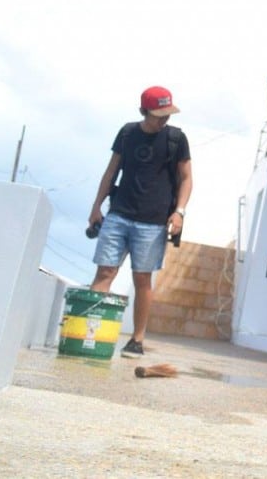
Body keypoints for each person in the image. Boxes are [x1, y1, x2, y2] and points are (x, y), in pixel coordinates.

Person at [88, 86, 192, 358]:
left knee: (142, 278)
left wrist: (179, 211)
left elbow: (186, 178)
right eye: (159, 114)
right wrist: (96, 207)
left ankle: (137, 339)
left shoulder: (176, 139)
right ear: (143, 112)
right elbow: (111, 171)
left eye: (167, 113)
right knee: (105, 273)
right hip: (118, 215)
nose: (164, 119)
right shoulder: (127, 133)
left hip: (153, 222)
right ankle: (89, 333)